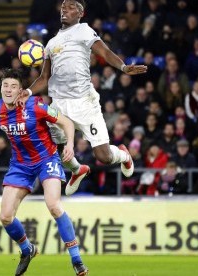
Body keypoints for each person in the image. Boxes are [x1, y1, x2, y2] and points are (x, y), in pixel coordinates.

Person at [0, 69, 89, 276]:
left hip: (46, 159)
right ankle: (27, 249)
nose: (8, 90)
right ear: (0, 88)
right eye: (5, 86)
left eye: (13, 86)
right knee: (5, 217)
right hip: (20, 165)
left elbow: (66, 122)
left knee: (54, 205)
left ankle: (76, 259)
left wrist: (70, 145)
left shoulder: (36, 105)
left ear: (21, 90)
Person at [15, 0, 147, 196]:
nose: (65, 10)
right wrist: (27, 92)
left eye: (71, 7)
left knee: (103, 156)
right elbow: (44, 78)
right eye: (63, 7)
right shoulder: (51, 43)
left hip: (84, 103)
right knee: (55, 147)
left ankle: (122, 154)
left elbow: (105, 52)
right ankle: (77, 170)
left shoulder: (84, 31)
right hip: (59, 103)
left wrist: (123, 67)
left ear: (81, 13)